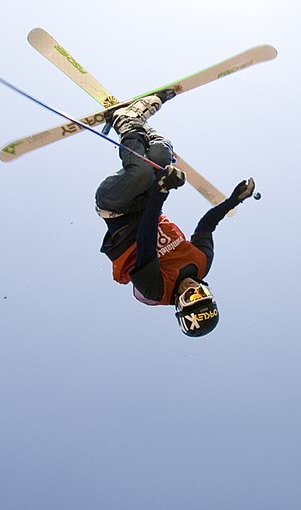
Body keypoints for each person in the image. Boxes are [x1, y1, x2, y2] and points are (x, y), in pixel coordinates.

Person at [94, 95, 257, 337]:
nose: (193, 288)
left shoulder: (156, 290)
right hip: (146, 201)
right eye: (201, 293)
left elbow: (146, 236)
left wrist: (162, 190)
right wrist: (233, 200)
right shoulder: (201, 262)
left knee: (141, 173)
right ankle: (140, 124)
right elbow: (206, 226)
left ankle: (124, 121)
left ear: (180, 306)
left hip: (116, 208)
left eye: (190, 297)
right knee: (161, 155)